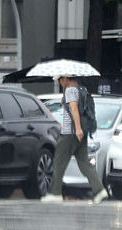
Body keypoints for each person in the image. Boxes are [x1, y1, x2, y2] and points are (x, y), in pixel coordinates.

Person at [42, 76, 108, 204]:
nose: (60, 83)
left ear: (66, 79)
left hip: (70, 133)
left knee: (59, 162)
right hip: (80, 133)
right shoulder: (80, 89)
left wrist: (77, 129)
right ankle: (100, 190)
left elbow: (74, 109)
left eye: (61, 80)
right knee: (84, 163)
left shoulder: (70, 90)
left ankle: (55, 193)